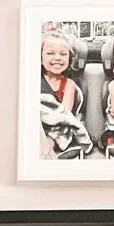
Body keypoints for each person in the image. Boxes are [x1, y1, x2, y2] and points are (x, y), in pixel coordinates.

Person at [39, 30, 93, 159]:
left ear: (70, 59)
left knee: (55, 135)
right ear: (41, 59)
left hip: (56, 129)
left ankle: (45, 152)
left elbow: (64, 114)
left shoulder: (69, 84)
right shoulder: (34, 81)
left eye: (63, 54)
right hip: (38, 127)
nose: (57, 57)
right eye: (50, 53)